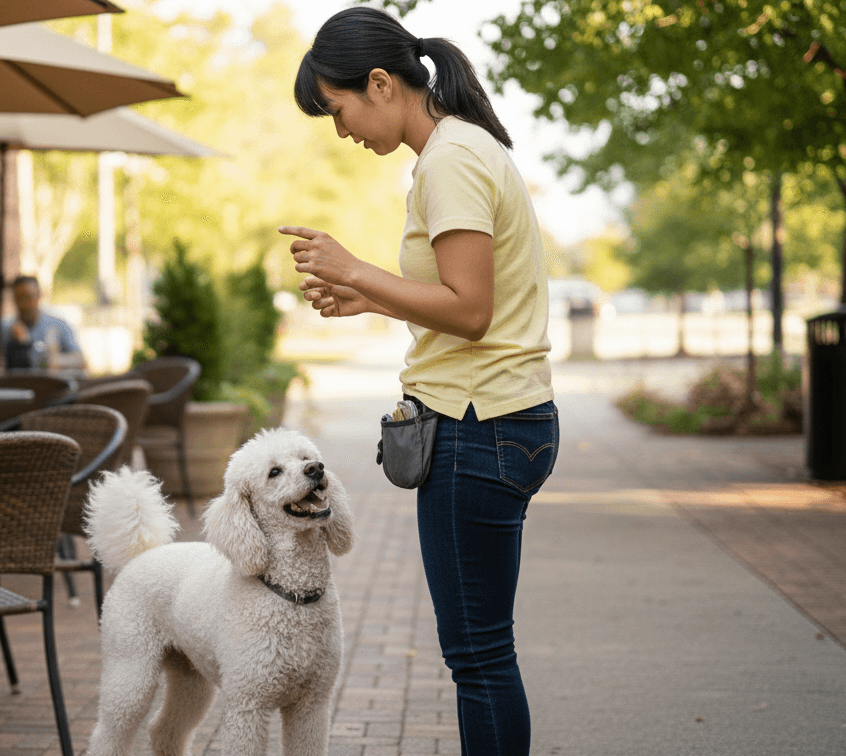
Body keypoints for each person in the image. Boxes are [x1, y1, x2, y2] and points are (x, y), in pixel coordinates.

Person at [280, 8, 559, 755]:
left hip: (481, 429)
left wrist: (356, 268)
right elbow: (465, 305)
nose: (340, 130)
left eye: (338, 110)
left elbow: (471, 310)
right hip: (499, 420)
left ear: (380, 83)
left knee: (479, 656)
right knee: (483, 651)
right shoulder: (460, 150)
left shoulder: (450, 161)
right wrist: (366, 297)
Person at [1, 275, 85, 370]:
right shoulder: (6, 327)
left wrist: (55, 361)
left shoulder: (58, 324)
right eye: (19, 298)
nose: (24, 304)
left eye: (28, 297)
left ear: (39, 295)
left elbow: (80, 360)